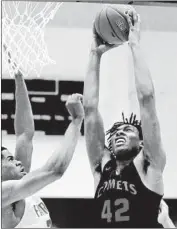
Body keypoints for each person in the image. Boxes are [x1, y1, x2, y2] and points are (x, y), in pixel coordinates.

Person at [83, 8, 166, 227]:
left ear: (141, 142)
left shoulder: (150, 164)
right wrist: (95, 54)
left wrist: (134, 44)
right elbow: (90, 109)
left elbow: (147, 99)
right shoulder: (102, 167)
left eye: (127, 130)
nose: (119, 132)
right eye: (116, 131)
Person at [2, 48, 84, 228]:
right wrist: (76, 122)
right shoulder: (3, 196)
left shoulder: (20, 186)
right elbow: (55, 170)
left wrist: (18, 78)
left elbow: (25, 134)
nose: (17, 161)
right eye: (9, 159)